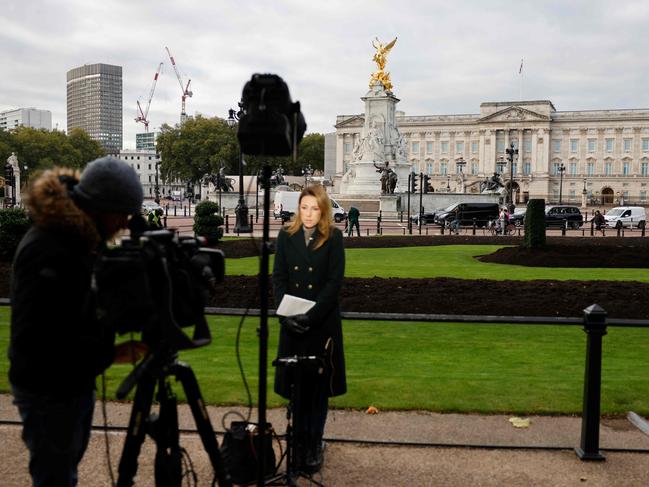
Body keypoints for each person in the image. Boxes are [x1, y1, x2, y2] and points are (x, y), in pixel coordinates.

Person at [9, 156, 148, 486]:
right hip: (49, 388)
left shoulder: (75, 241)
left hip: (68, 383)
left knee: (61, 472)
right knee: (56, 478)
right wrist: (109, 354)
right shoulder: (51, 248)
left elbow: (80, 314)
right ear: (101, 207)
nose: (126, 223)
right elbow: (45, 339)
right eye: (122, 213)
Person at [272, 185, 346, 475]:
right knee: (296, 388)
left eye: (315, 208)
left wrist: (310, 317)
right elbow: (279, 278)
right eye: (305, 207)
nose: (309, 213)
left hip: (320, 325)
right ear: (298, 209)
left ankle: (314, 441)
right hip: (292, 324)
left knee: (317, 390)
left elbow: (333, 284)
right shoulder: (285, 237)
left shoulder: (334, 238)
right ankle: (298, 441)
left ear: (323, 210)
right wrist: (285, 315)